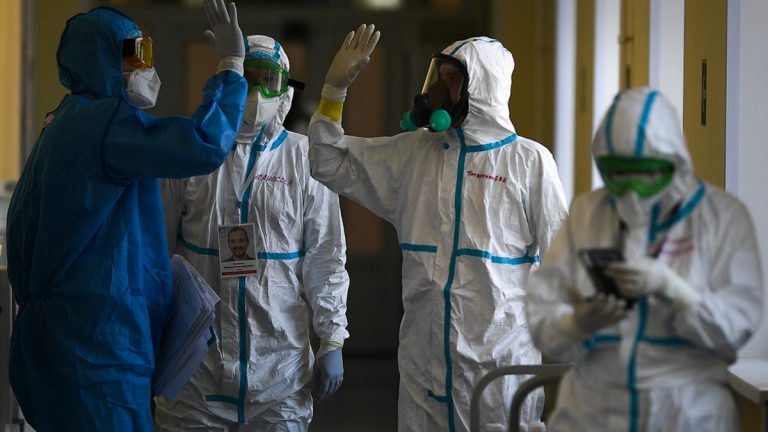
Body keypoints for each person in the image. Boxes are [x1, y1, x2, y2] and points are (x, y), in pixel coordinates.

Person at [307, 25, 569, 431]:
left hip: (499, 371)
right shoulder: (416, 154)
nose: (438, 91)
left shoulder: (529, 163)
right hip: (423, 370)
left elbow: (565, 268)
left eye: (451, 81)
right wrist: (334, 91)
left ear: (481, 87)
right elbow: (327, 160)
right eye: (438, 78)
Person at [4, 2, 247, 431]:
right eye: (133, 55)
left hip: (65, 342)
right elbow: (202, 145)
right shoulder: (104, 124)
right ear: (101, 58)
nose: (144, 68)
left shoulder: (62, 123)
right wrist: (231, 67)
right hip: (100, 352)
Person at [525, 87, 764, 431]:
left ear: (674, 164)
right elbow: (542, 312)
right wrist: (576, 324)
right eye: (618, 174)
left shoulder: (720, 217)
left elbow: (737, 328)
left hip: (687, 410)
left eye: (646, 173)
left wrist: (677, 291)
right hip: (594, 408)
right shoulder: (589, 213)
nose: (632, 190)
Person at [154, 34, 350, 432]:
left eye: (269, 81)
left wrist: (332, 338)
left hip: (280, 373)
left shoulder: (304, 159)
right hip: (197, 372)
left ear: (285, 92)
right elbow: (156, 251)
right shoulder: (192, 153)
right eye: (248, 79)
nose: (257, 93)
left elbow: (326, 256)